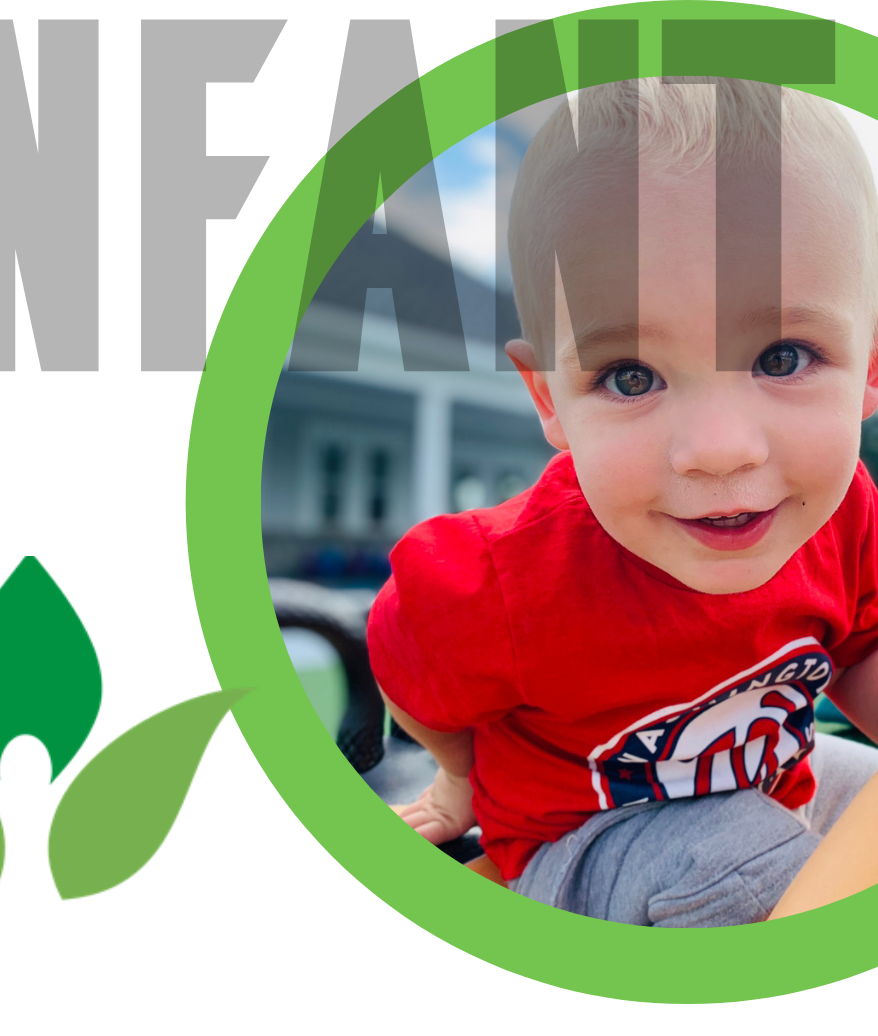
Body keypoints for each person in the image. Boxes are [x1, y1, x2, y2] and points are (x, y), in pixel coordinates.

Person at [367, 77, 878, 927]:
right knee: (743, 856)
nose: (720, 448)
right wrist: (461, 782)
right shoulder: (499, 580)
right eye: (629, 377)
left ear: (867, 369)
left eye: (784, 357)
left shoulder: (846, 513)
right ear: (549, 401)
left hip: (768, 788)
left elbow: (857, 649)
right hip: (580, 845)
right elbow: (408, 666)